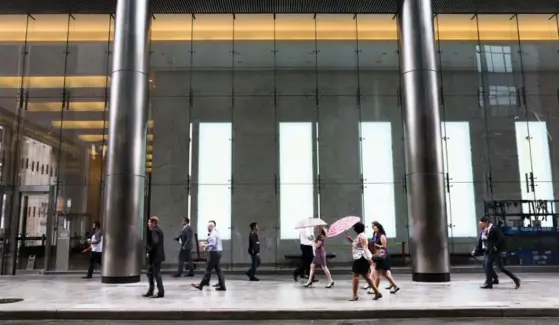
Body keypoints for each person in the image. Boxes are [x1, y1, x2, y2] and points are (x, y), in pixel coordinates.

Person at [472, 216, 520, 289]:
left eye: (482, 223)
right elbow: (482, 242)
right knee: (489, 266)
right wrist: (476, 251)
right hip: (488, 251)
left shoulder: (494, 229)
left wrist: (495, 247)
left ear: (486, 222)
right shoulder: (485, 231)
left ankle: (490, 283)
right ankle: (494, 280)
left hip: (495, 252)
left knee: (489, 265)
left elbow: (501, 239)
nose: (480, 225)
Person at [347, 222, 382, 301]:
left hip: (361, 258)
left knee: (356, 276)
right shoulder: (360, 236)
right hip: (361, 258)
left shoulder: (361, 236)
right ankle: (377, 292)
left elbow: (365, 248)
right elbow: (358, 246)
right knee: (366, 277)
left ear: (356, 229)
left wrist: (369, 259)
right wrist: (351, 240)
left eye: (354, 228)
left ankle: (355, 295)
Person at [192, 220, 226, 291]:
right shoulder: (216, 233)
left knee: (208, 269)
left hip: (214, 253)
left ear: (211, 226)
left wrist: (205, 245)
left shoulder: (213, 234)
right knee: (218, 269)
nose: (207, 228)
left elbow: (213, 244)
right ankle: (222, 285)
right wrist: (206, 244)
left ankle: (201, 285)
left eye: (208, 227)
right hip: (218, 252)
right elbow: (213, 242)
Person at [370, 221, 400, 294]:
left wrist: (377, 245)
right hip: (378, 256)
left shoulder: (382, 235)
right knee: (384, 274)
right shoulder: (375, 235)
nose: (374, 228)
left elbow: (384, 246)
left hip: (382, 256)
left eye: (375, 227)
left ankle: (375, 290)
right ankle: (395, 286)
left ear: (379, 228)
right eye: (373, 227)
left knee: (378, 274)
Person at [144, 216, 165, 298]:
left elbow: (155, 243)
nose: (148, 224)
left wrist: (149, 252)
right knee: (151, 273)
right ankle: (151, 290)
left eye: (149, 222)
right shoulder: (159, 230)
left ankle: (160, 292)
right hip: (157, 256)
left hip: (155, 256)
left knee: (156, 274)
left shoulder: (155, 231)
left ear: (153, 223)